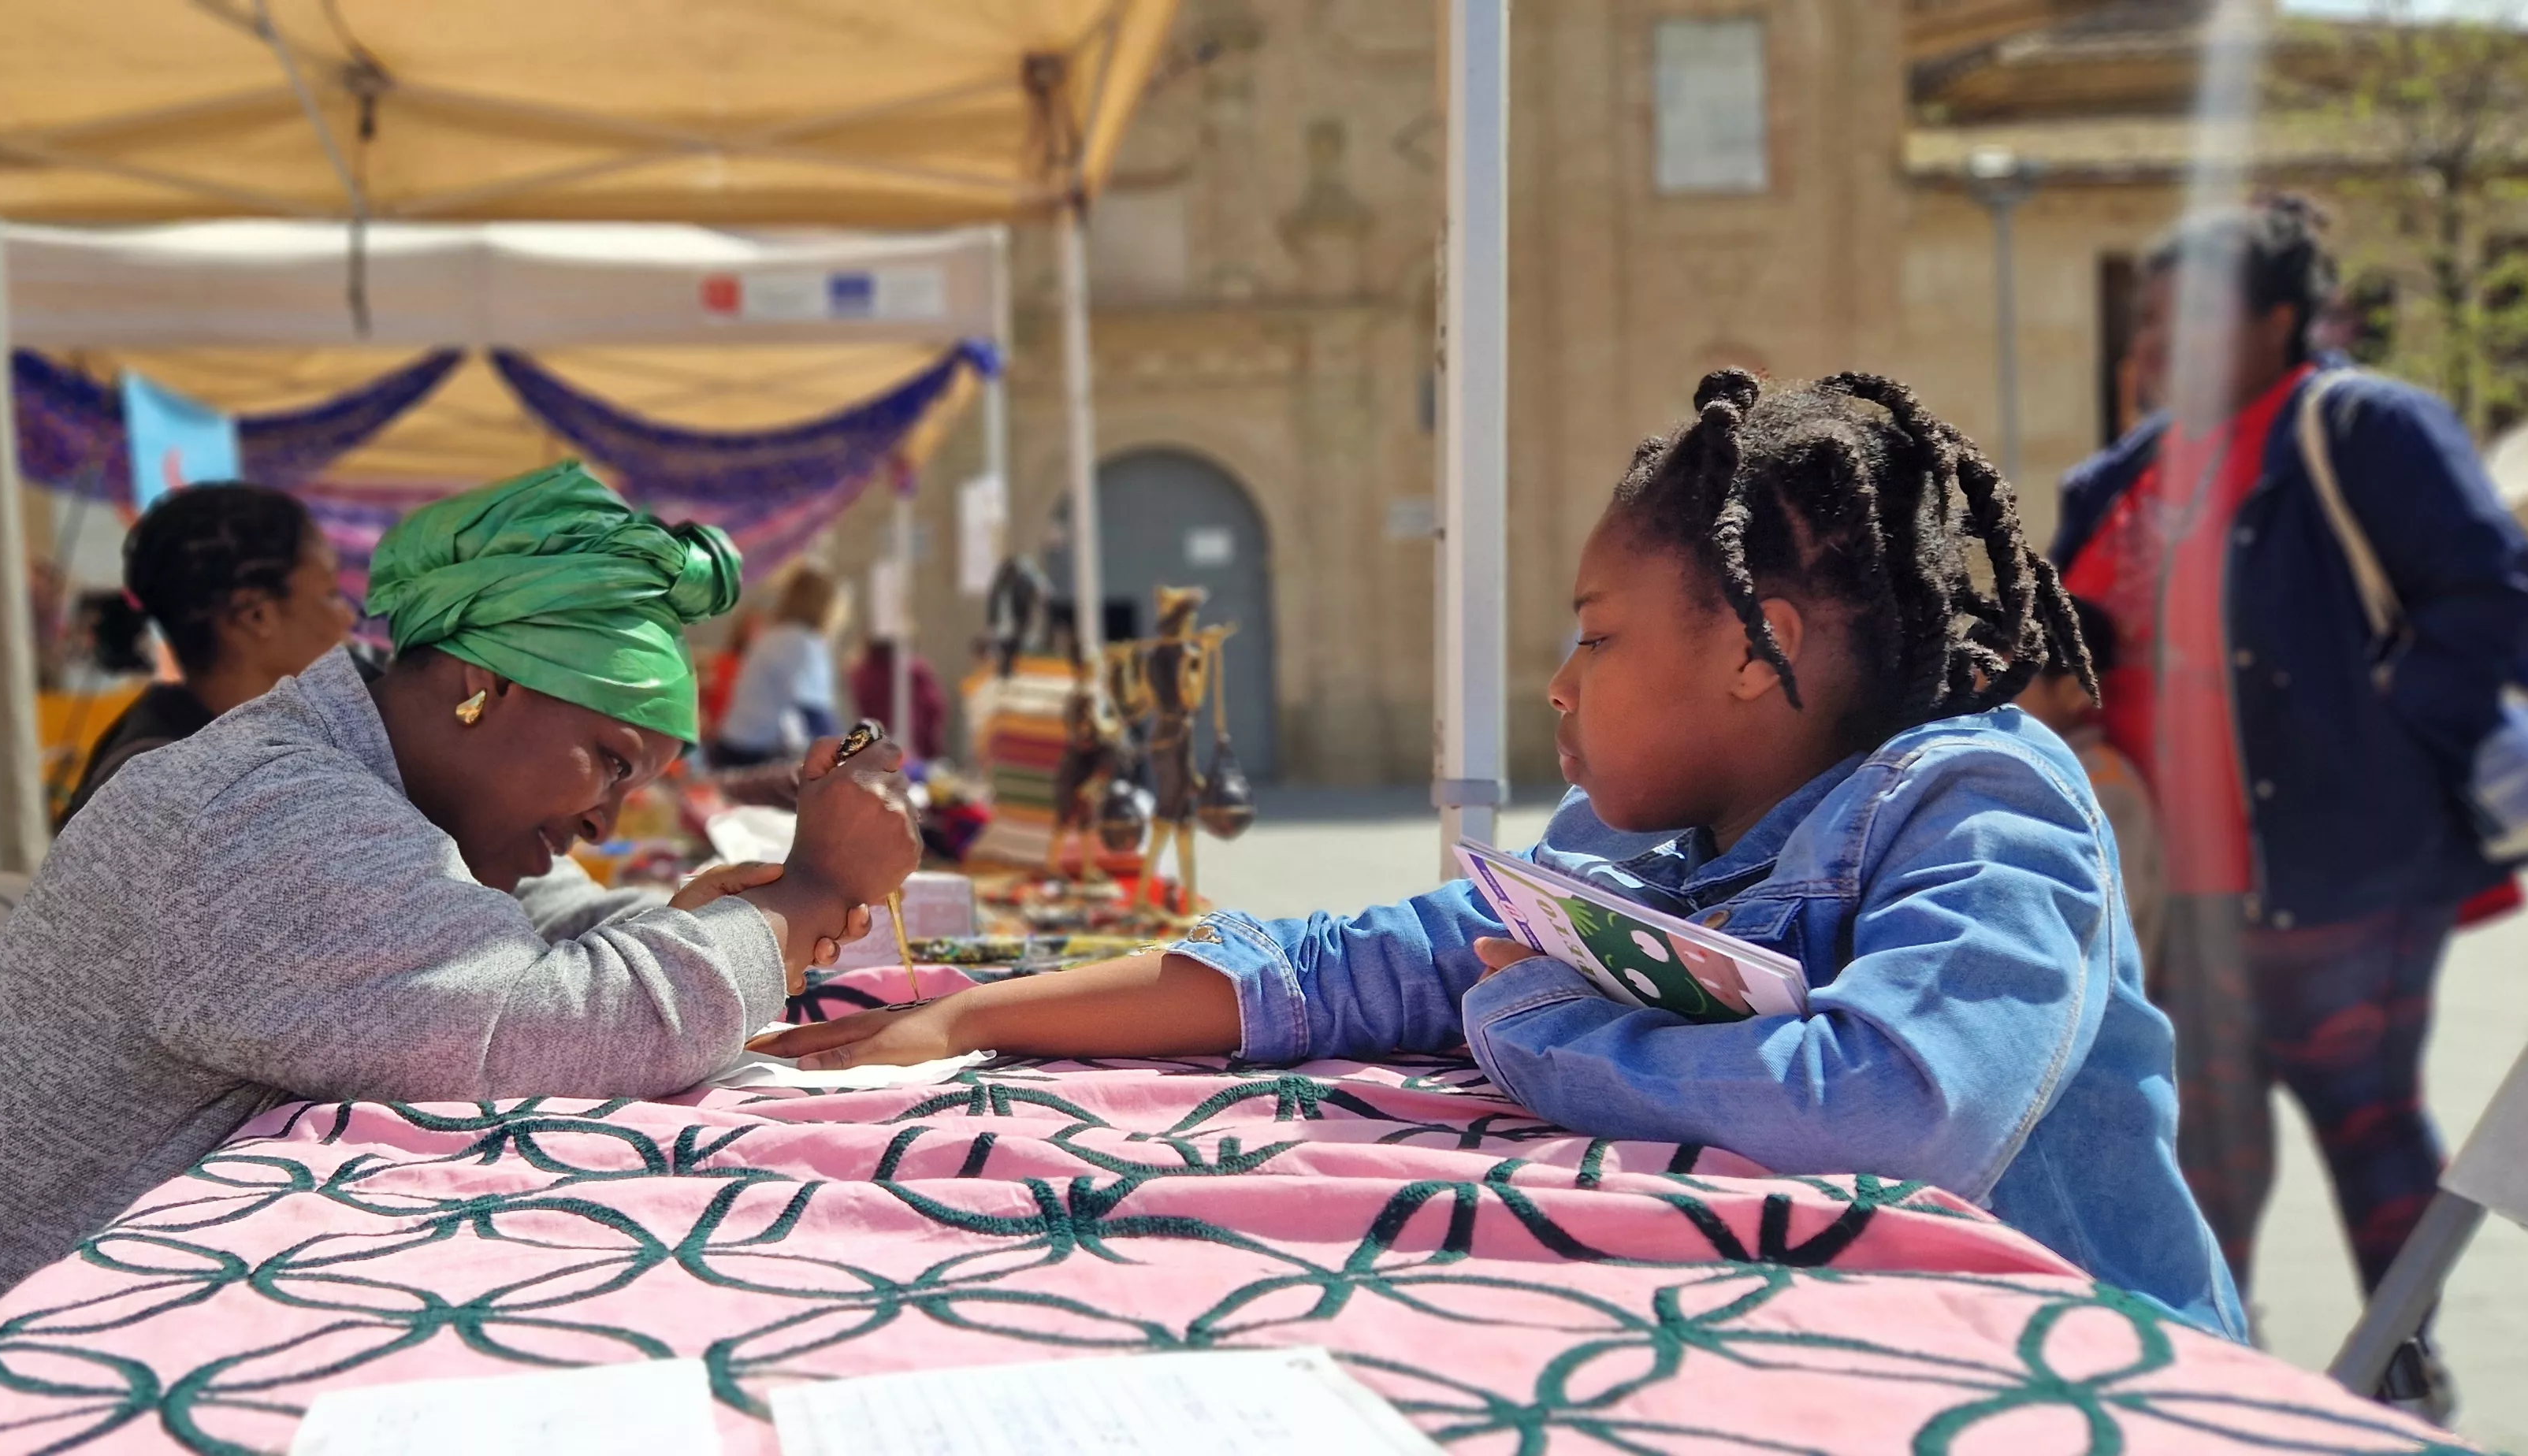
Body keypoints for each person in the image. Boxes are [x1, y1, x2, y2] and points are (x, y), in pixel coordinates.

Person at [760, 370, 2243, 1339]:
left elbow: (1900, 1108)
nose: (1559, 681)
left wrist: (1539, 1020)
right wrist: (973, 1014)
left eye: (1597, 636)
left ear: (1755, 649)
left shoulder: (1987, 800)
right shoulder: (1644, 832)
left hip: (2081, 1361)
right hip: (1823, 1323)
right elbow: (1353, 964)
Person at [0, 462, 920, 1453]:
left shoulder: (370, 782)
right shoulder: (263, 815)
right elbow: (555, 1026)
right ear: (478, 687)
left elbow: (567, 930)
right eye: (607, 763)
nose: (607, 818)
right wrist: (809, 893)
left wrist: (716, 920)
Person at [2049, 200, 2528, 1333]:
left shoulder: (2362, 428)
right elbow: (2060, 639)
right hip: (2178, 910)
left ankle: (2401, 1384)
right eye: (2152, 319)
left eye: (2194, 316)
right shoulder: (2118, 479)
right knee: (2201, 1164)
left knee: (2369, 1135)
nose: (2164, 344)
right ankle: (2227, 1382)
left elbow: (2492, 599)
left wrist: (2375, 739)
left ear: (2278, 321)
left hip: (2344, 881)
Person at [60, 481, 361, 827]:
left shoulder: (219, 747)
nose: (347, 617)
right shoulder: (168, 784)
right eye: (330, 594)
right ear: (256, 616)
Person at [2013, 600, 2165, 978]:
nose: (1983, 689)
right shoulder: (2020, 771)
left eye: (2009, 678)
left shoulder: (2103, 791)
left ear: (2073, 692)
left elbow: (2096, 940)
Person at [711, 565, 843, 767]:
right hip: (754, 754)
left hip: (733, 745)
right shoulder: (803, 642)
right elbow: (816, 715)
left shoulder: (771, 635)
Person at [850, 637, 946, 762]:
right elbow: (935, 707)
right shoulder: (916, 670)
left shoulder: (860, 673)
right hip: (914, 749)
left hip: (872, 749)